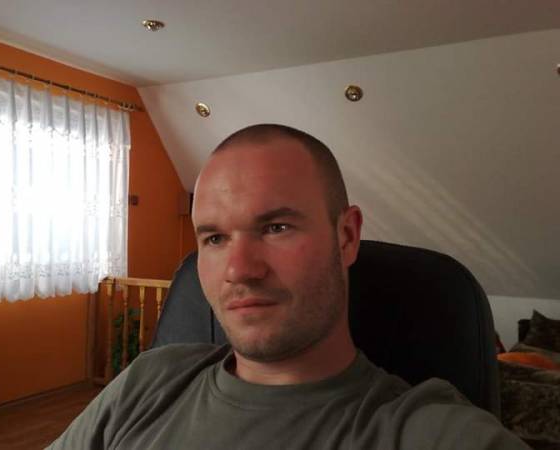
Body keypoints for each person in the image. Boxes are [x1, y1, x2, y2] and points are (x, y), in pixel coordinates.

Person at [48, 124, 528, 449]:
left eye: (276, 228)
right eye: (214, 238)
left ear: (346, 237)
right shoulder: (148, 381)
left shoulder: (425, 430)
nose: (239, 270)